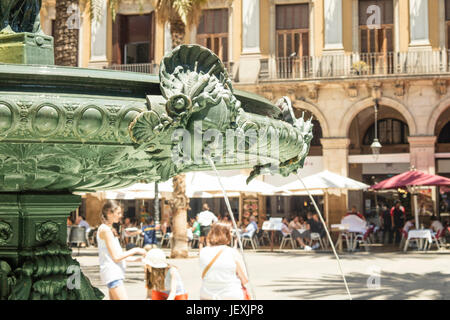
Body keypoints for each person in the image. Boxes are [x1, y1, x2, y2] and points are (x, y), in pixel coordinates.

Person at [97, 200, 147, 300]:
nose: (121, 216)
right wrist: (136, 250)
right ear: (109, 213)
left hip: (113, 274)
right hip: (113, 274)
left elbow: (115, 256)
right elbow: (116, 257)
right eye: (118, 213)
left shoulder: (108, 229)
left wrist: (138, 260)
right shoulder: (105, 230)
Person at [199, 222, 250, 300]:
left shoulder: (203, 252)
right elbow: (244, 279)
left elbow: (203, 275)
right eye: (230, 232)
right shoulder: (232, 253)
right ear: (226, 235)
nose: (232, 235)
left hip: (207, 294)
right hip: (231, 294)